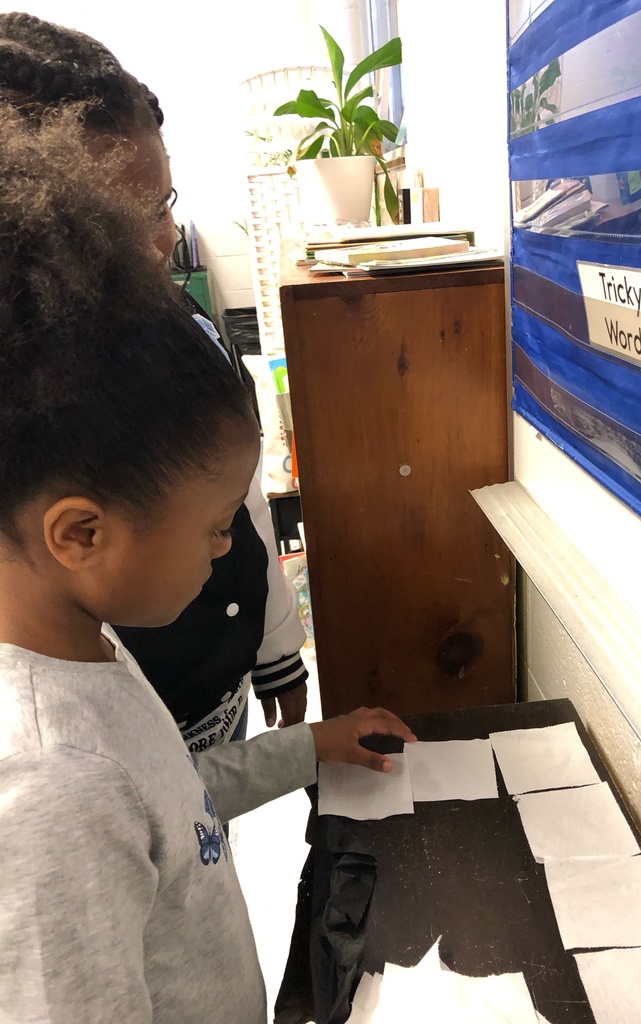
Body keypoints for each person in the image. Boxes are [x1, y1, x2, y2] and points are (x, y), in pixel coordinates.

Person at [0, 103, 416, 1024]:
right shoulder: (52, 790)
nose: (233, 555)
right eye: (216, 529)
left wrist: (309, 747)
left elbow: (177, 804)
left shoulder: (93, 652)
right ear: (81, 533)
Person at [0, 11, 307, 750]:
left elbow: (240, 509)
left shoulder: (181, 334)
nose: (165, 240)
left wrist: (275, 655)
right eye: (121, 217)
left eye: (164, 204)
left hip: (210, 709)